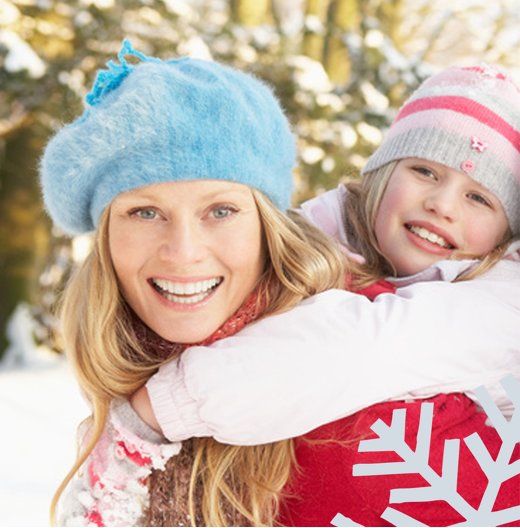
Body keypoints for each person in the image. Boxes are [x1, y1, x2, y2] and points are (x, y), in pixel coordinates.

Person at [126, 65, 520, 525]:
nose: (442, 204)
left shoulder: (502, 302)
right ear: (381, 173)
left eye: (480, 198)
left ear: (505, 234)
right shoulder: (287, 259)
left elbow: (368, 343)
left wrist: (164, 407)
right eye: (424, 170)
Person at [39, 41, 346, 526]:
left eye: (220, 211)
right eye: (145, 212)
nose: (183, 251)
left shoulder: (350, 379)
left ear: (268, 229)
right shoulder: (123, 412)